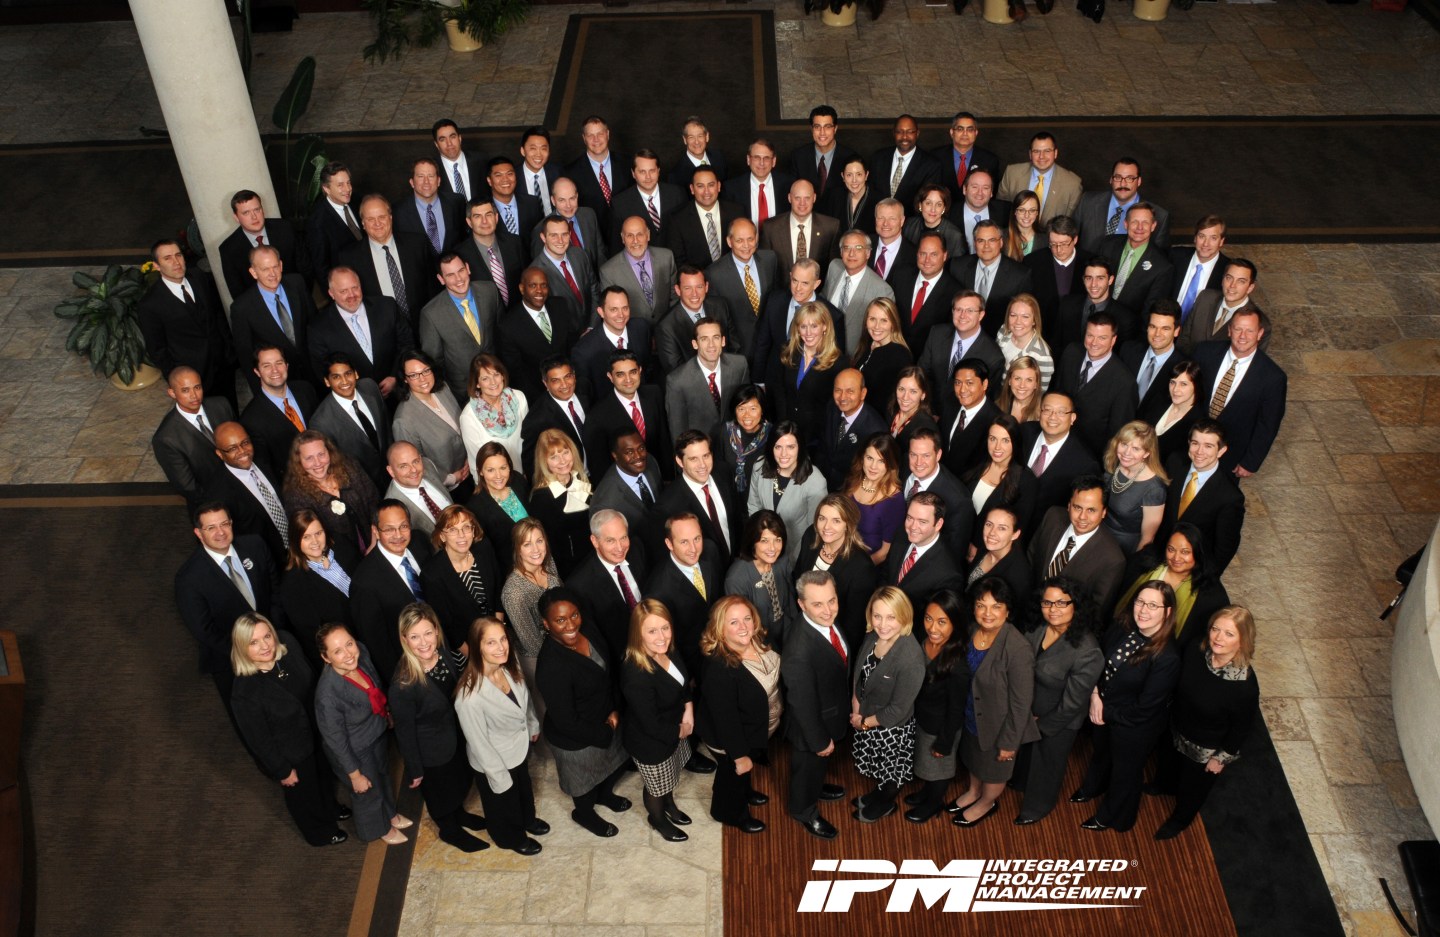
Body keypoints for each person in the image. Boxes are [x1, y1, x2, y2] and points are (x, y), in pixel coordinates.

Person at [229, 613, 348, 847]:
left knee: (324, 776)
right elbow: (258, 740)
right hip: (291, 752)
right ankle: (319, 832)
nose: (265, 646)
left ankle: (330, 808)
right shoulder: (244, 692)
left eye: (267, 636)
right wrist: (282, 770)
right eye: (254, 643)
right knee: (304, 793)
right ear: (242, 648)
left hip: (316, 733)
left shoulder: (288, 644)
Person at [1073, 580, 1182, 833]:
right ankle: (1092, 788)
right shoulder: (1122, 627)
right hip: (1103, 707)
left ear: (1167, 612)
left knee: (1125, 774)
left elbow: (1144, 709)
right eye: (1140, 602)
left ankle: (1113, 816)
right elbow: (1099, 661)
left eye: (1153, 605)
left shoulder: (1168, 657)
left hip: (1134, 726)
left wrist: (1103, 710)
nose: (1143, 610)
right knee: (1101, 754)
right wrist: (1095, 694)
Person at [1151, 606, 1260, 840]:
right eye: (1215, 629)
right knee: (1167, 763)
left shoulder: (1245, 687)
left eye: (1229, 634)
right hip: (1176, 726)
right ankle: (1163, 785)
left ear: (1243, 641)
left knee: (1192, 789)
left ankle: (1180, 820)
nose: (1218, 638)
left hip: (1205, 747)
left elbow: (1241, 728)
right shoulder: (1195, 650)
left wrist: (1220, 759)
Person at [535, 587, 634, 837]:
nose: (570, 625)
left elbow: (608, 670)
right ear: (546, 624)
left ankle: (604, 795)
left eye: (574, 615)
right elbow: (567, 721)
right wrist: (606, 730)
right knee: (584, 786)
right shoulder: (550, 666)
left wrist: (615, 709)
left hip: (606, 715)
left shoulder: (587, 629)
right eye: (560, 620)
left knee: (613, 765)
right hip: (576, 738)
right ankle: (584, 814)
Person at [389, 604, 487, 852]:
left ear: (436, 631)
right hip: (431, 750)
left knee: (459, 781)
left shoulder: (442, 654)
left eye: (428, 633)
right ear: (404, 639)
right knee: (440, 793)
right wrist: (415, 768)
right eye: (414, 637)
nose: (424, 643)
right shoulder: (403, 684)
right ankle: (449, 830)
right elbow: (404, 732)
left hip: (455, 736)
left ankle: (459, 815)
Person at [1012, 577, 1104, 824]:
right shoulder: (1037, 628)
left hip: (1059, 720)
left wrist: (1040, 724)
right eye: (1047, 603)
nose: (1053, 609)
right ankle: (1019, 782)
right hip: (1029, 708)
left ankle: (1037, 808)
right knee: (1026, 754)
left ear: (1076, 605)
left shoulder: (1088, 650)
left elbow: (1072, 704)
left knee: (1047, 764)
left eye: (1062, 603)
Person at [453, 616, 547, 855]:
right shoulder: (469, 697)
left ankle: (528, 820)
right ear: (477, 648)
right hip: (493, 760)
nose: (501, 647)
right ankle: (511, 838)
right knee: (503, 804)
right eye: (491, 642)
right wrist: (499, 777)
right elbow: (479, 744)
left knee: (523, 790)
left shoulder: (509, 665)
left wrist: (532, 724)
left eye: (503, 639)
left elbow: (524, 700)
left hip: (517, 748)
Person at [948, 578, 1038, 827]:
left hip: (999, 725)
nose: (987, 613)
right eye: (981, 605)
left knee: (995, 770)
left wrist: (1009, 742)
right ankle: (974, 792)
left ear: (1008, 611)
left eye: (996, 606)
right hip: (970, 714)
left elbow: (1021, 703)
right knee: (974, 758)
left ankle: (986, 803)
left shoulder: (1018, 648)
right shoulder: (971, 630)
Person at [313, 624, 413, 845]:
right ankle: (379, 829)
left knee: (383, 777)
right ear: (326, 657)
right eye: (337, 651)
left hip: (375, 732)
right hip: (353, 750)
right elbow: (336, 741)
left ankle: (389, 815)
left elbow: (375, 689)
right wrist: (354, 775)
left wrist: (386, 713)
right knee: (367, 792)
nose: (349, 653)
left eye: (349, 644)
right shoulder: (327, 695)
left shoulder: (362, 653)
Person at [698, 595, 781, 833]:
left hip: (753, 729)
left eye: (747, 618)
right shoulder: (719, 669)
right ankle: (729, 813)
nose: (743, 626)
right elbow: (726, 720)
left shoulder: (759, 640)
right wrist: (739, 755)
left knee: (742, 773)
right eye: (733, 622)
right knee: (733, 773)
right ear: (720, 629)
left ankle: (745, 791)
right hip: (730, 739)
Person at [782, 571, 852, 839]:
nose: (828, 611)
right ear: (801, 604)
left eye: (831, 601)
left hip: (829, 713)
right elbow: (801, 702)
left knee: (816, 770)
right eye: (818, 604)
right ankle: (804, 810)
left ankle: (817, 787)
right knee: (806, 770)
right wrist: (819, 740)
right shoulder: (799, 650)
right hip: (811, 727)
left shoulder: (827, 623)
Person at [620, 600, 697, 842]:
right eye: (652, 631)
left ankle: (669, 805)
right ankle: (658, 819)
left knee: (669, 778)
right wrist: (680, 730)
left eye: (665, 628)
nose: (661, 637)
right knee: (656, 787)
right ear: (638, 634)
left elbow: (682, 683)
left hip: (674, 728)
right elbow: (650, 724)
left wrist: (689, 707)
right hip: (651, 742)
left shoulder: (668, 649)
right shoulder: (636, 673)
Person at [848, 586, 926, 823]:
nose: (883, 624)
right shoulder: (874, 636)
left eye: (891, 617)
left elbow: (897, 710)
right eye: (877, 616)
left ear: (904, 616)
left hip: (891, 729)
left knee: (891, 773)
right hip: (865, 717)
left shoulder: (910, 657)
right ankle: (878, 795)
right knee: (878, 767)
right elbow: (860, 674)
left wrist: (863, 723)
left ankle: (884, 804)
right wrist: (855, 705)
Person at [1192, 308, 1288, 477]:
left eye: (1249, 331)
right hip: (1191, 442)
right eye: (1238, 329)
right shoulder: (1204, 352)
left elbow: (1268, 424)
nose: (1243, 336)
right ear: (1229, 330)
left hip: (1231, 453)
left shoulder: (1273, 377)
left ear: (1260, 334)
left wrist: (1250, 462)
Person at [902, 590, 971, 823]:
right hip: (922, 718)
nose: (933, 628)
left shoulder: (957, 666)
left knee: (939, 769)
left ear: (955, 624)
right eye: (928, 618)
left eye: (942, 622)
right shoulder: (924, 640)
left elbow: (956, 710)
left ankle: (933, 804)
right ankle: (926, 793)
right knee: (926, 762)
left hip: (941, 727)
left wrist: (945, 741)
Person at [350, 500, 432, 680]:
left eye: (404, 526)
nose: (398, 535)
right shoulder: (364, 582)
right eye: (389, 529)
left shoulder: (420, 543)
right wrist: (402, 679)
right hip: (412, 667)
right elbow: (377, 644)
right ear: (375, 531)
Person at [1117, 523, 1231, 650]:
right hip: (1122, 638)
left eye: (1185, 552)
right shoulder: (1142, 564)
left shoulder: (1211, 594)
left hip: (1167, 654)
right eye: (1171, 550)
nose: (1176, 558)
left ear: (1198, 553)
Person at [1028, 475, 1129, 617]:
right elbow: (1031, 557)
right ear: (1069, 506)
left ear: (1103, 512)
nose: (1082, 517)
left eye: (1091, 510)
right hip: (1028, 608)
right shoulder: (1052, 517)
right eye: (1077, 507)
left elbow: (1095, 611)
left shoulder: (1112, 559)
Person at [1156, 419, 1247, 576]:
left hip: (1190, 569)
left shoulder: (1230, 497)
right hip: (1158, 552)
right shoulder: (1175, 462)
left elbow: (1224, 548)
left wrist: (1205, 578)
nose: (1199, 451)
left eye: (1208, 446)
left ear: (1221, 451)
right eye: (1195, 443)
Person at [793, 495, 882, 651]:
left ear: (848, 525)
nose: (826, 527)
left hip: (831, 641)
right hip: (802, 626)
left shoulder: (861, 567)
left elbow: (854, 625)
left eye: (836, 521)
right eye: (822, 518)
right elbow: (797, 577)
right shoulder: (810, 536)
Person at [279, 509, 356, 671]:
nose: (315, 541)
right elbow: (312, 636)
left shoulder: (342, 545)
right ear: (295, 541)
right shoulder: (292, 584)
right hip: (347, 652)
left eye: (318, 533)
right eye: (306, 537)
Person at [1052, 312, 1138, 457]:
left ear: (1113, 340)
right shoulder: (1071, 352)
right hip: (1055, 440)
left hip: (1089, 455)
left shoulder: (1125, 382)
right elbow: (1056, 391)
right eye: (1090, 335)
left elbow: (1117, 435)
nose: (1094, 343)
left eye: (1102, 338)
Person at [417, 248, 499, 400]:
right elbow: (434, 362)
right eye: (450, 275)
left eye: (461, 271)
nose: (458, 279)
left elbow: (502, 334)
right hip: (464, 390)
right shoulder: (431, 314)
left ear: (468, 268)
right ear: (441, 279)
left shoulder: (489, 291)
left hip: (498, 380)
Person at [281, 430, 378, 557]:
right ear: (299, 461)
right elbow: (310, 539)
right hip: (339, 559)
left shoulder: (350, 467)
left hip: (375, 543)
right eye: (309, 458)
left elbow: (374, 503)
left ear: (330, 452)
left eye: (321, 454)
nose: (317, 463)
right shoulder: (295, 497)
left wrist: (375, 542)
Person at [419, 504, 500, 653]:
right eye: (452, 530)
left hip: (497, 632)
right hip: (467, 646)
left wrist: (499, 633)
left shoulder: (484, 549)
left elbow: (497, 592)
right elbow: (447, 626)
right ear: (442, 536)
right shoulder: (432, 575)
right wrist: (475, 657)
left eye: (466, 527)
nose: (461, 535)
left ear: (473, 530)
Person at [746, 421, 828, 564]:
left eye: (790, 447)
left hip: (795, 554)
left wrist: (792, 561)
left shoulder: (816, 482)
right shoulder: (759, 466)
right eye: (778, 447)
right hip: (763, 550)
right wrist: (761, 545)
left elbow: (814, 530)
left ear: (800, 448)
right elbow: (754, 506)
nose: (783, 454)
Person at [153, 366, 235, 508]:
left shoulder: (221, 405)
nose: (194, 396)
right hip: (213, 503)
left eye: (197, 387)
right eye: (185, 390)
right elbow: (188, 487)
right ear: (172, 393)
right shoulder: (166, 438)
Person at [500, 517, 563, 695]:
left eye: (539, 541)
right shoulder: (513, 592)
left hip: (564, 641)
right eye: (527, 544)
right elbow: (532, 643)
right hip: (539, 659)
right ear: (517, 549)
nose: (536, 549)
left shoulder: (548, 562)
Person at [393, 350, 469, 496]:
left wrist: (470, 458)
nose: (422, 379)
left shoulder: (443, 389)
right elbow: (415, 466)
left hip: (471, 467)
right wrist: (452, 479)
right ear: (405, 379)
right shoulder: (403, 420)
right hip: (450, 487)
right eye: (414, 375)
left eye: (426, 371)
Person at [961, 414, 1039, 557]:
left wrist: (979, 548)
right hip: (960, 541)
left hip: (990, 553)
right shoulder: (976, 463)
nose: (997, 447)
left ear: (1015, 443)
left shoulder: (1026, 480)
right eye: (993, 439)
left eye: (1005, 440)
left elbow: (1018, 530)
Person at [723, 510, 797, 650]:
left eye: (778, 540)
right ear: (752, 542)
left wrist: (795, 634)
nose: (772, 548)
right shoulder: (736, 579)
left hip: (787, 632)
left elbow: (790, 602)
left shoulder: (782, 561)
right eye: (764, 541)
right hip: (760, 642)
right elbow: (742, 627)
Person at [527, 428, 592, 577]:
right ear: (544, 462)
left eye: (565, 452)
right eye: (554, 457)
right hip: (569, 570)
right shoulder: (541, 498)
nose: (563, 461)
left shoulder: (581, 481)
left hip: (593, 558)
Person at [1100, 421, 1169, 556]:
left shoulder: (1154, 489)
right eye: (1124, 444)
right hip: (1098, 532)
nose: (1126, 452)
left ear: (1147, 453)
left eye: (1136, 449)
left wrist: (1134, 564)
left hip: (1122, 549)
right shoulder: (1114, 462)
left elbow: (1147, 538)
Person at [777, 301, 844, 438]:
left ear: (825, 326)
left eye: (814, 326)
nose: (808, 333)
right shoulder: (788, 351)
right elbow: (779, 390)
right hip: (788, 430)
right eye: (803, 326)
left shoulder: (838, 362)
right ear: (797, 328)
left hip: (817, 435)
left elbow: (835, 406)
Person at [826, 231, 896, 359]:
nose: (851, 253)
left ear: (868, 253)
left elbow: (884, 334)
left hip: (853, 358)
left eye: (858, 248)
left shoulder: (882, 290)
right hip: (822, 349)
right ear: (841, 252)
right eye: (847, 248)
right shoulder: (834, 267)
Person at [458, 353, 528, 478]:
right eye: (485, 378)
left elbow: (529, 439)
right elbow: (476, 463)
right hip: (496, 482)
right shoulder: (468, 418)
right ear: (477, 383)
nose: (493, 382)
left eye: (496, 374)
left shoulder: (518, 398)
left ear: (502, 376)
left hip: (526, 474)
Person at [818, 367, 887, 490]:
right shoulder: (832, 407)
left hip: (851, 490)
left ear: (863, 393)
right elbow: (823, 444)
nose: (842, 397)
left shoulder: (876, 430)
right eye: (838, 390)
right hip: (822, 482)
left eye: (850, 391)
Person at [843, 433, 906, 565]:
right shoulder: (854, 479)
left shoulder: (894, 501)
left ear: (891, 464)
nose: (873, 466)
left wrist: (855, 571)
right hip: (842, 553)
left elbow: (884, 552)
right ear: (862, 457)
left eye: (881, 461)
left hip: (867, 565)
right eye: (869, 458)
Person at [467, 441, 531, 566]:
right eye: (490, 470)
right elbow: (486, 552)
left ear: (509, 466)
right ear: (480, 471)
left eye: (503, 468)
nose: (498, 476)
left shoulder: (518, 480)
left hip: (538, 553)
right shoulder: (475, 507)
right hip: (511, 566)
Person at [851, 297, 912, 412]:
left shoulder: (900, 355)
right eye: (872, 319)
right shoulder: (867, 344)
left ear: (893, 323)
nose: (877, 326)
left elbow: (891, 402)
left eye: (884, 320)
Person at [966, 505, 1033, 601]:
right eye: (989, 524)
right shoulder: (983, 549)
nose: (992, 533)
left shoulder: (1018, 576)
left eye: (1002, 528)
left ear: (1015, 534)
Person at [718, 385, 772, 498]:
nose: (747, 415)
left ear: (762, 410)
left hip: (761, 498)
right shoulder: (725, 432)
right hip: (731, 497)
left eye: (753, 409)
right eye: (741, 409)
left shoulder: (772, 434)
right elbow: (718, 470)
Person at [995, 293, 1054, 391]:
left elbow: (1039, 393)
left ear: (1034, 320)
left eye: (1025, 317)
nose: (1018, 321)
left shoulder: (1042, 357)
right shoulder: (1003, 330)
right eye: (1013, 315)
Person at [1154, 359, 1203, 464]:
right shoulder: (1158, 402)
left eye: (1183, 384)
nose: (1175, 389)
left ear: (1196, 386)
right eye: (1173, 382)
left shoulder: (1198, 423)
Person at [902, 184, 966, 260]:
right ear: (920, 205)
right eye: (928, 203)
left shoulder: (955, 236)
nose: (933, 209)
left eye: (939, 205)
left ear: (944, 208)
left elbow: (956, 265)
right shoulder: (909, 225)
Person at [889, 366, 939, 457]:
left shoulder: (926, 427)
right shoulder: (890, 410)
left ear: (923, 395)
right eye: (901, 389)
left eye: (913, 391)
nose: (905, 397)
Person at [997, 355, 1044, 424]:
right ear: (1009, 381)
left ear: (1036, 384)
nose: (1022, 385)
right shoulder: (997, 406)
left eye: (1029, 380)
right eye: (1017, 378)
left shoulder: (1043, 412)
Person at [1005, 190, 1042, 260]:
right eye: (1021, 210)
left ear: (1037, 213)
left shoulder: (1046, 239)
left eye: (1032, 210)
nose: (1026, 215)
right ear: (1015, 212)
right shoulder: (1002, 237)